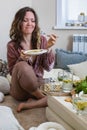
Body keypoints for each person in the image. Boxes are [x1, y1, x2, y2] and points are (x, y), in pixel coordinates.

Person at [7, 6, 57, 112]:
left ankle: (29, 105)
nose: (30, 23)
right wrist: (21, 59)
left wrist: (48, 48)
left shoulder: (42, 40)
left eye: (33, 20)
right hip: (20, 89)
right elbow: (12, 72)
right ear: (19, 23)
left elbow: (48, 68)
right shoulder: (12, 45)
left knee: (61, 91)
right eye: (25, 20)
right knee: (21, 65)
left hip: (38, 83)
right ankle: (42, 98)